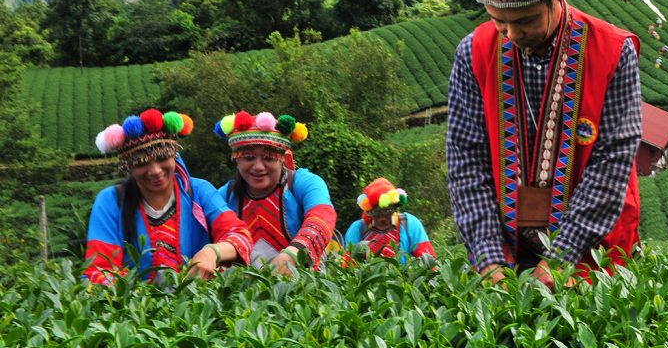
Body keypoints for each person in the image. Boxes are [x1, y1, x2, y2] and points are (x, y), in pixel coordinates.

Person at [448, 0, 650, 289]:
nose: (510, 35)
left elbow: (613, 161)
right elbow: (466, 161)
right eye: (497, 21)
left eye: (524, 21)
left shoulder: (612, 51)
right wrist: (489, 258)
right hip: (506, 250)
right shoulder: (472, 53)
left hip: (592, 250)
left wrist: (561, 258)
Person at [86, 109, 252, 284]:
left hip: (198, 302)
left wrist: (211, 252)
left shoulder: (199, 191)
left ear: (175, 155)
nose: (155, 171)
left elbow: (239, 236)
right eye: (141, 163)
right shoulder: (111, 202)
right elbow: (99, 271)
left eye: (162, 157)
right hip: (138, 307)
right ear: (129, 167)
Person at [215, 110, 336, 275]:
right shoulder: (224, 195)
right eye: (249, 158)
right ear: (236, 159)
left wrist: (294, 253)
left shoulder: (305, 183)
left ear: (283, 158)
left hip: (303, 290)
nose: (258, 166)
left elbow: (322, 217)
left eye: (269, 158)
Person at [343, 178, 436, 263]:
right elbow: (349, 264)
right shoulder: (358, 229)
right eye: (377, 212)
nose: (382, 218)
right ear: (369, 211)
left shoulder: (409, 223)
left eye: (387, 211)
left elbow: (427, 260)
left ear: (395, 207)